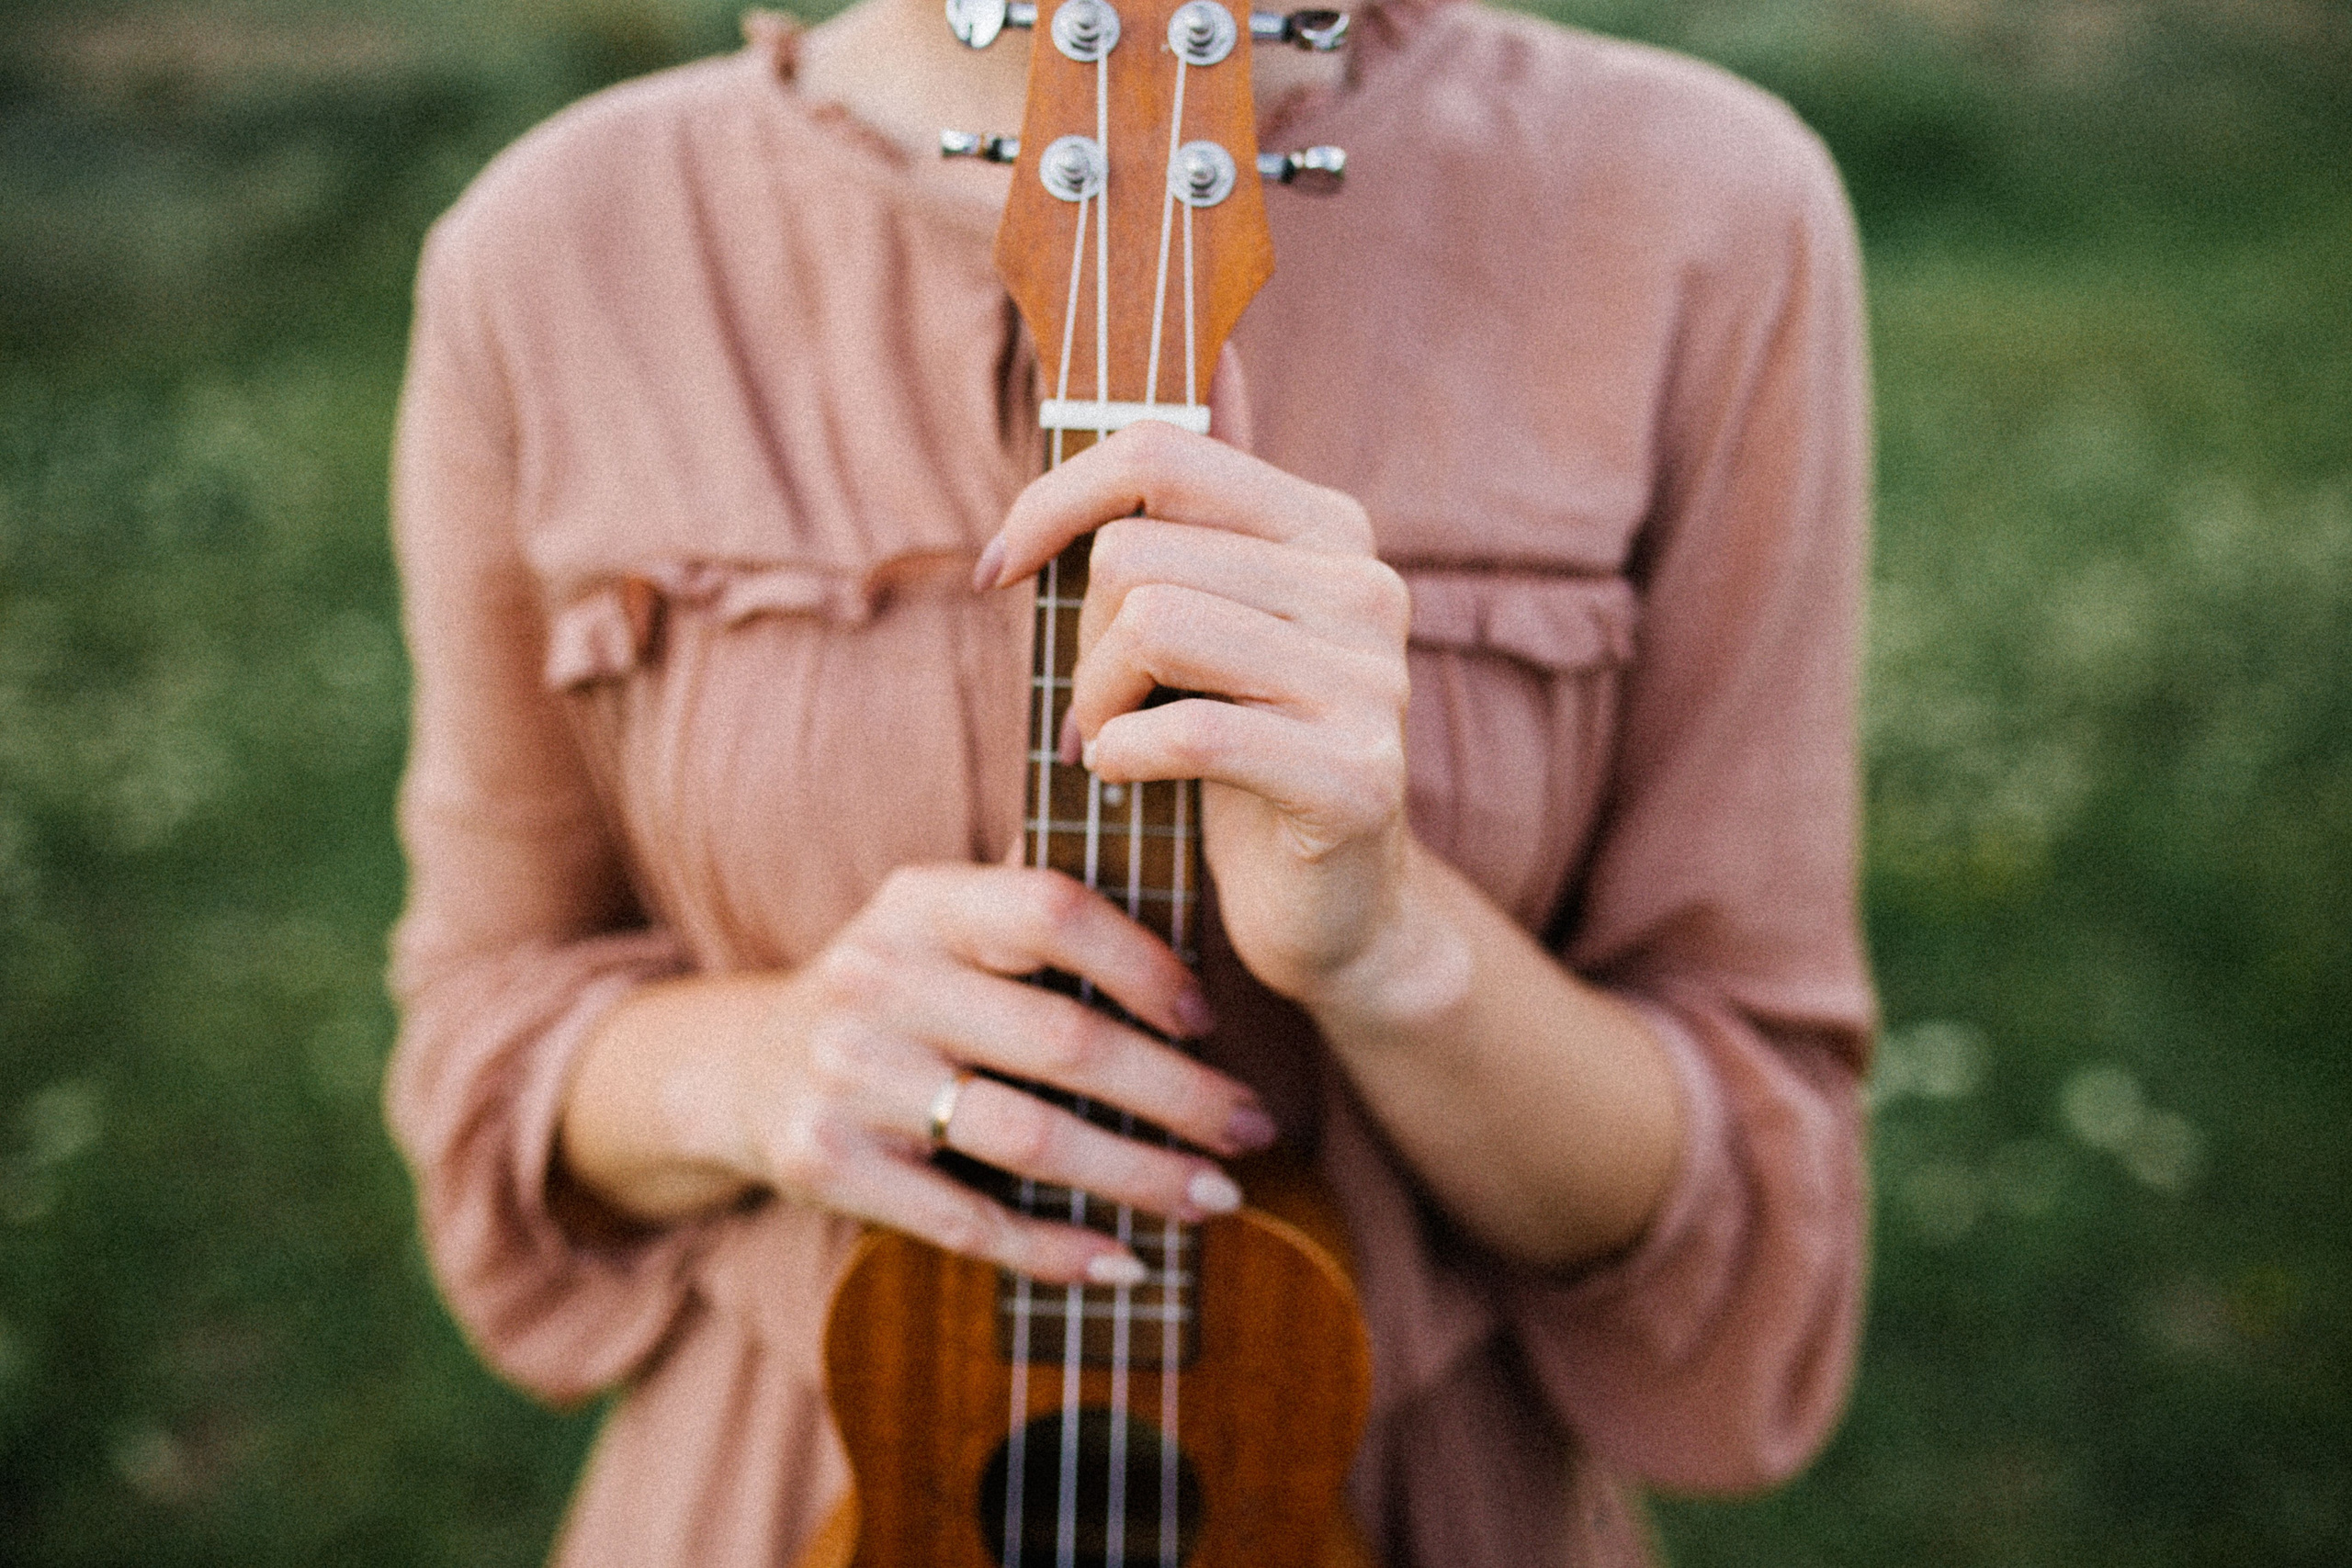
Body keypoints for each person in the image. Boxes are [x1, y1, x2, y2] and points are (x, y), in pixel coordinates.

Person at [384, 0, 1875, 1562]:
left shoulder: (1700, 207)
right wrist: (760, 1063)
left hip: (1413, 1503)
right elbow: (487, 1037)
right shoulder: (553, 246)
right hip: (806, 1497)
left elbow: (1754, 1216)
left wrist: (1391, 951)